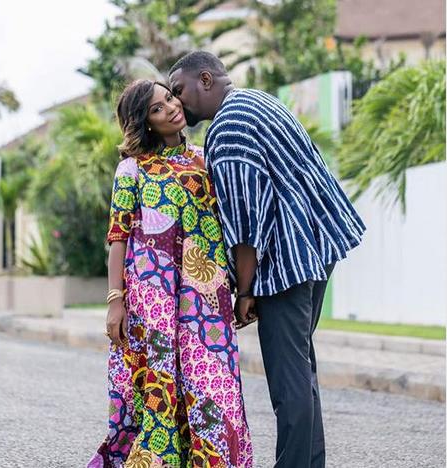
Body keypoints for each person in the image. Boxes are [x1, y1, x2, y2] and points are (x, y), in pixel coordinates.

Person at [168, 51, 366, 468]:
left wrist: (245, 291)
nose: (177, 101)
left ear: (206, 79)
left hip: (285, 262)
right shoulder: (258, 99)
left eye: (179, 90)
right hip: (316, 246)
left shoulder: (229, 127)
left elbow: (246, 225)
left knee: (288, 380)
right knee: (301, 370)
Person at [87, 79, 253, 468]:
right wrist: (115, 301)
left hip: (206, 294)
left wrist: (245, 288)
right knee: (160, 391)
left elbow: (236, 222)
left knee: (214, 388)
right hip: (153, 300)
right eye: (157, 109)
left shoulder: (207, 159)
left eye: (169, 98)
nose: (171, 108)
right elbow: (118, 237)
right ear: (145, 122)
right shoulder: (132, 169)